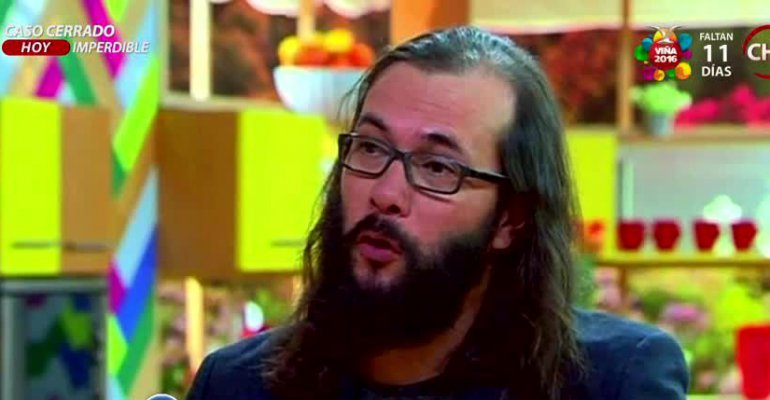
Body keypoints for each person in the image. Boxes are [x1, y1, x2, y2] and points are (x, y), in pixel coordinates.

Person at [186, 26, 689, 400]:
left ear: (511, 219)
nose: (386, 193)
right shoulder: (236, 385)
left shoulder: (613, 382)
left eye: (437, 168)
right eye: (370, 148)